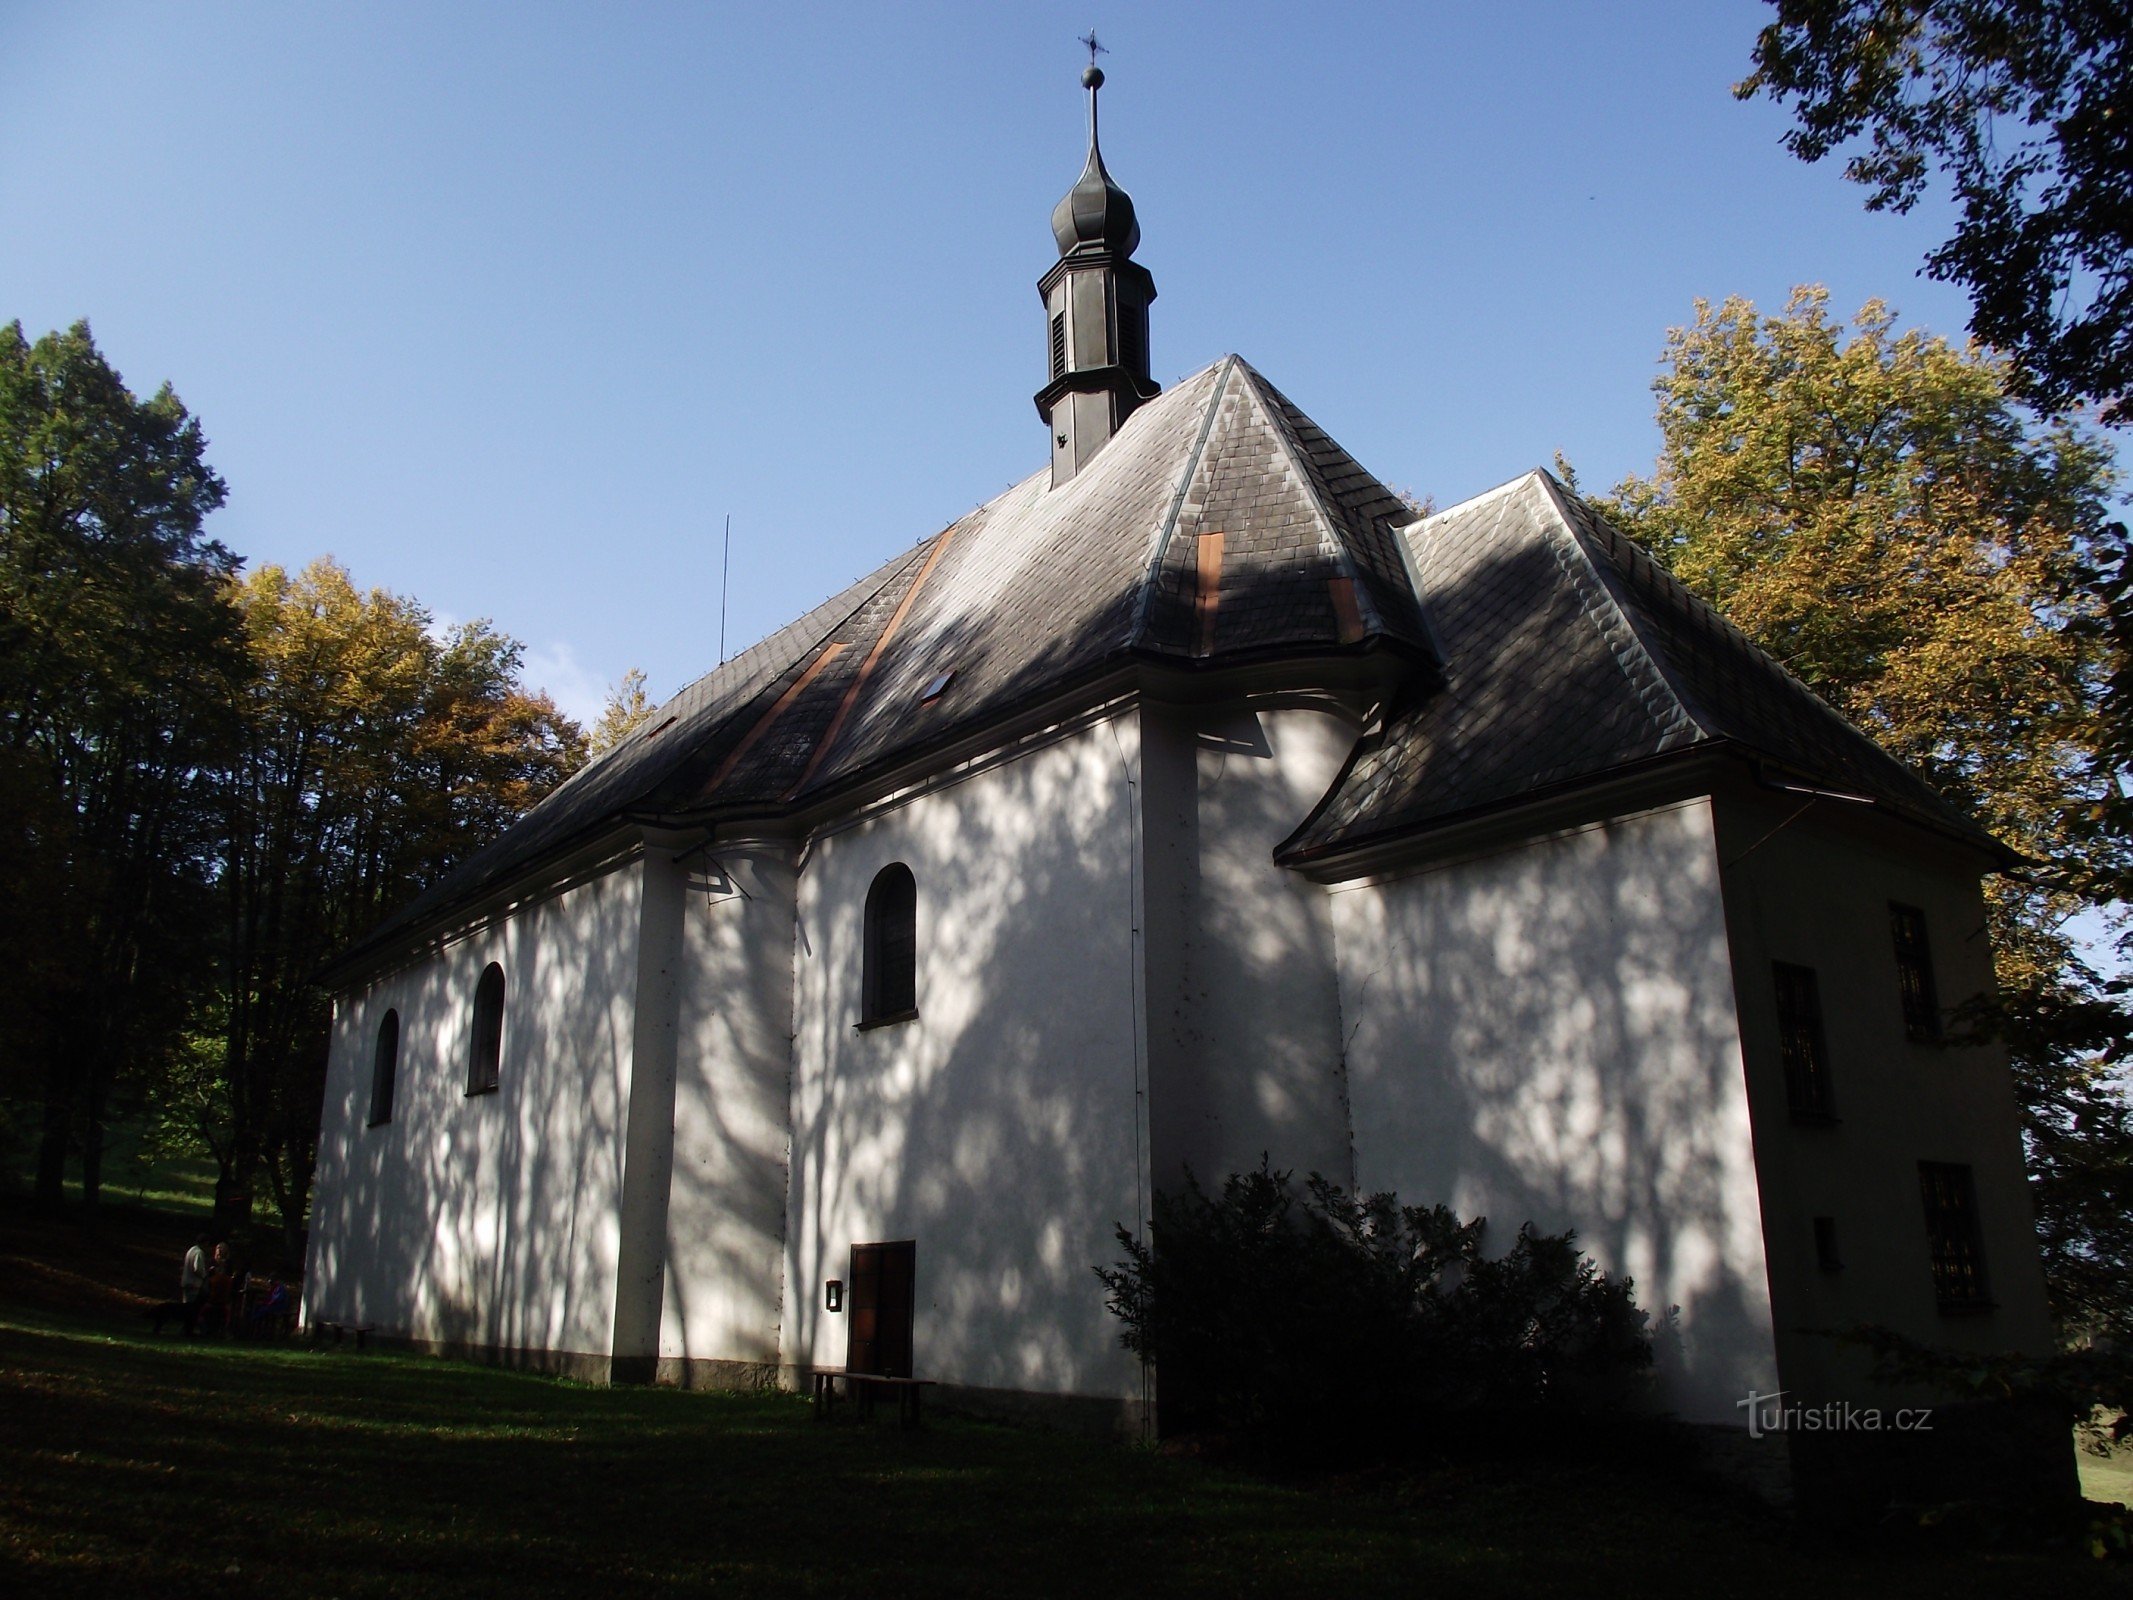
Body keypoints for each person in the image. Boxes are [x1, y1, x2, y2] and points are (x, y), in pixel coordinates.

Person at [180, 1234, 209, 1336]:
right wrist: (205, 1275)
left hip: (186, 1282)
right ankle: (188, 1330)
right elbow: (197, 1268)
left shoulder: (191, 1250)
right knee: (192, 1309)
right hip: (193, 1284)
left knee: (186, 1307)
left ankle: (185, 1328)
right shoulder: (199, 1253)